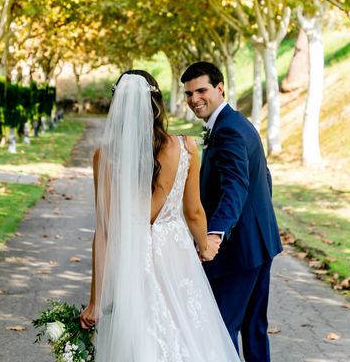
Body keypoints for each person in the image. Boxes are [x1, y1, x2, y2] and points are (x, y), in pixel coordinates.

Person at [79, 70, 239, 362]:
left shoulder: (105, 157)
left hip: (131, 263)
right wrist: (205, 246)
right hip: (177, 258)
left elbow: (103, 232)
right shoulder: (185, 147)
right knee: (192, 338)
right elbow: (194, 212)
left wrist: (95, 301)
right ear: (157, 106)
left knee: (139, 342)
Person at [181, 61, 283, 362]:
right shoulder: (236, 123)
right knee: (254, 328)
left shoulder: (228, 131)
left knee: (221, 328)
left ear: (219, 88)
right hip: (259, 243)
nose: (194, 99)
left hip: (238, 249)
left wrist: (215, 234)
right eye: (188, 93)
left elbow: (236, 185)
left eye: (201, 90)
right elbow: (263, 177)